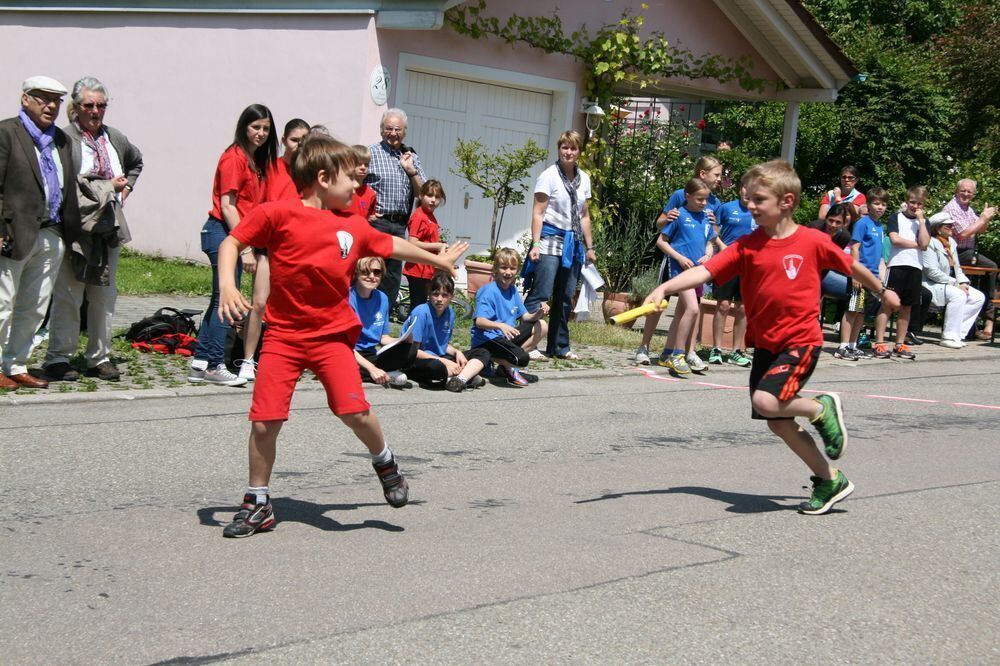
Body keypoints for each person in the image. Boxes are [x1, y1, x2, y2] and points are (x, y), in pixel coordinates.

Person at [215, 132, 467, 538]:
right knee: (265, 421)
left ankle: (385, 462)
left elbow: (394, 246)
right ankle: (257, 503)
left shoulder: (353, 224)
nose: (357, 184)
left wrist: (439, 258)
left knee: (353, 410)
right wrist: (228, 285)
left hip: (331, 337)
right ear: (323, 178)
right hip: (283, 337)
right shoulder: (277, 214)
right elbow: (231, 242)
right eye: (350, 177)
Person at [645, 159, 900, 515]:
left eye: (758, 200)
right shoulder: (748, 245)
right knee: (778, 422)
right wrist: (666, 288)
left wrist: (881, 291)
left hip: (800, 341)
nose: (750, 205)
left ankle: (820, 407)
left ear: (787, 202)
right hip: (765, 343)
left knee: (767, 403)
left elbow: (851, 265)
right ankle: (830, 479)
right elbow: (706, 269)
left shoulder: (812, 240)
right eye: (748, 199)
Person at [40, 77, 142, 383]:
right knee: (69, 294)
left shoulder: (115, 138)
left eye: (101, 105)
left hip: (107, 228)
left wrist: (126, 190)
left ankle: (99, 356)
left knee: (103, 295)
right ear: (76, 107)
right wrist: (105, 187)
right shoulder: (63, 138)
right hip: (74, 227)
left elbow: (136, 162)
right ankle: (58, 357)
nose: (95, 111)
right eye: (89, 105)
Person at [188, 104, 277, 387]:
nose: (261, 133)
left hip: (234, 235)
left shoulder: (254, 160)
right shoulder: (234, 158)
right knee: (227, 300)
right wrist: (246, 247)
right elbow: (228, 207)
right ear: (244, 127)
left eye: (265, 128)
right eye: (255, 127)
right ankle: (215, 364)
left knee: (219, 299)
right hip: (223, 232)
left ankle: (200, 362)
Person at [0, 76, 80, 391]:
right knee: (3, 301)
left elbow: (67, 186)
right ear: (25, 99)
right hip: (13, 232)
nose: (51, 105)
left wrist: (68, 234)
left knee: (35, 305)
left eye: (56, 100)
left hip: (51, 231)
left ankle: (16, 364)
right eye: (43, 98)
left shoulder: (62, 140)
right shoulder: (7, 133)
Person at [236, 117, 310, 383]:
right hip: (268, 248)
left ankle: (287, 361)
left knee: (291, 309)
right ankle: (246, 360)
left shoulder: (309, 174)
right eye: (294, 140)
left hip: (296, 251)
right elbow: (256, 208)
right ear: (283, 141)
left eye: (304, 141)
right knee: (259, 304)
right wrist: (249, 249)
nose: (299, 145)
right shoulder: (271, 168)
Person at [635, 155, 724, 367]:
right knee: (660, 302)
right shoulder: (680, 195)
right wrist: (669, 218)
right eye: (717, 174)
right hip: (676, 259)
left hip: (698, 264)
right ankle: (644, 347)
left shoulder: (715, 202)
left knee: (690, 307)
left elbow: (711, 234)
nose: (720, 178)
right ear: (703, 174)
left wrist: (710, 250)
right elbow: (661, 224)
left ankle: (683, 350)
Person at [524, 129, 596, 361]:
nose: (569, 152)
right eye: (565, 147)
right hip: (550, 239)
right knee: (542, 292)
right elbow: (538, 213)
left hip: (572, 243)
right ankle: (526, 341)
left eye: (573, 148)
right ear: (559, 149)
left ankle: (559, 346)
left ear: (579, 151)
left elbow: (584, 215)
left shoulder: (584, 178)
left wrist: (590, 246)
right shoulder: (549, 176)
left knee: (565, 296)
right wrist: (536, 243)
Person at [654, 177, 717, 375]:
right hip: (681, 270)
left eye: (706, 199)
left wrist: (708, 253)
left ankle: (667, 353)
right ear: (687, 196)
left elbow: (710, 241)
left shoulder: (706, 217)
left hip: (698, 272)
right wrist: (679, 257)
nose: (703, 203)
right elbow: (661, 242)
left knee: (682, 313)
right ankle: (678, 354)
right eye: (699, 199)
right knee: (692, 308)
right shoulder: (679, 215)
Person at [366, 108, 426, 308]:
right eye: (389, 128)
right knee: (371, 271)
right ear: (382, 130)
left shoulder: (410, 156)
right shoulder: (370, 153)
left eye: (397, 129)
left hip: (400, 225)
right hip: (377, 224)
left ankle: (383, 318)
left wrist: (411, 171)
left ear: (405, 132)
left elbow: (421, 193)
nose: (393, 133)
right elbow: (355, 186)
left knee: (392, 277)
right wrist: (366, 213)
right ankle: (365, 318)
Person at [471, 248, 548, 387]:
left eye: (512, 268)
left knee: (542, 325)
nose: (508, 272)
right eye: (504, 267)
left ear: (517, 271)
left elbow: (526, 317)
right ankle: (493, 359)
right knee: (522, 359)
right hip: (488, 339)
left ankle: (506, 366)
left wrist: (539, 313)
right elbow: (479, 321)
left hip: (505, 336)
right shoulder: (488, 291)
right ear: (495, 269)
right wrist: (501, 325)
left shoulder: (512, 291)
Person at [402, 271, 490, 392]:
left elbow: (443, 345)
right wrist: (445, 362)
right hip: (418, 360)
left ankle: (459, 380)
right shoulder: (421, 312)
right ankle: (466, 375)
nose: (439, 299)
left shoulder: (450, 313)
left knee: (483, 352)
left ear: (452, 296)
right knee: (435, 367)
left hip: (439, 357)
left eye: (444, 295)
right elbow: (413, 351)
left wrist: (457, 352)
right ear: (429, 294)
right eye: (435, 294)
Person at [873, 186, 931, 360]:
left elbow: (925, 243)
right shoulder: (895, 217)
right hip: (897, 265)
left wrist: (921, 222)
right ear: (907, 202)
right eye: (912, 202)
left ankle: (899, 343)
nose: (915, 206)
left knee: (907, 307)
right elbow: (895, 239)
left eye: (919, 204)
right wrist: (917, 245)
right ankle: (880, 342)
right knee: (888, 305)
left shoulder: (924, 222)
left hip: (915, 267)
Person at [835, 187, 889, 360]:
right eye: (876, 203)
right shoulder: (862, 223)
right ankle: (842, 347)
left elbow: (879, 254)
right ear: (869, 204)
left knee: (862, 312)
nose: (880, 207)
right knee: (852, 310)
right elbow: (855, 248)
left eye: (883, 204)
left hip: (872, 276)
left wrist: (880, 277)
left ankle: (853, 345)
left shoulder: (881, 226)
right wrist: (855, 273)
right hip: (860, 274)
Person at [709, 175, 755, 367]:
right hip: (727, 262)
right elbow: (713, 231)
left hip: (749, 265)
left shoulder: (758, 211)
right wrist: (722, 247)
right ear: (740, 189)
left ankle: (737, 351)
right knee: (723, 306)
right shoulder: (727, 207)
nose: (747, 192)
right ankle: (716, 348)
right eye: (745, 187)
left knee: (743, 308)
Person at [943, 178, 996, 339]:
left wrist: (985, 219)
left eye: (969, 192)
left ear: (973, 194)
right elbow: (964, 233)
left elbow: (980, 230)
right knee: (992, 268)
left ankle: (979, 323)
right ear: (956, 191)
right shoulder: (952, 208)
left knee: (989, 271)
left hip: (969, 251)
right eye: (963, 191)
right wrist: (982, 219)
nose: (966, 194)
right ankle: (989, 317)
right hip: (956, 252)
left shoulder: (968, 209)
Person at [922, 212, 985, 348]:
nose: (952, 228)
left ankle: (958, 334)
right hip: (932, 284)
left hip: (950, 283)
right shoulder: (930, 243)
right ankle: (948, 336)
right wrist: (956, 284)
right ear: (937, 228)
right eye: (948, 226)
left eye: (952, 225)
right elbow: (931, 272)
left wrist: (963, 282)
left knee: (978, 297)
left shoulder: (951, 243)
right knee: (958, 294)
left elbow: (957, 268)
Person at [349, 256, 413, 389]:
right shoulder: (347, 298)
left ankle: (376, 374)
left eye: (377, 272)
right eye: (366, 271)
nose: (372, 276)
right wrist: (372, 368)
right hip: (350, 352)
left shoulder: (382, 298)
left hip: (372, 353)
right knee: (344, 363)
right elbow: (345, 346)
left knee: (410, 350)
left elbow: (383, 338)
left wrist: (402, 340)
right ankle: (379, 374)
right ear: (356, 273)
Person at [402, 179, 448, 313]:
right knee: (418, 307)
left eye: (437, 197)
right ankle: (412, 333)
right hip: (417, 270)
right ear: (421, 196)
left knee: (423, 306)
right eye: (429, 195)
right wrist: (438, 245)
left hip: (426, 269)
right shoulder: (419, 216)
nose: (433, 200)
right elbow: (413, 243)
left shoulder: (430, 216)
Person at [348, 145, 377, 221]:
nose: (363, 167)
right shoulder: (339, 189)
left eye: (366, 164)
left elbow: (370, 216)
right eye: (358, 163)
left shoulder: (371, 194)